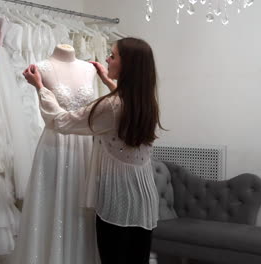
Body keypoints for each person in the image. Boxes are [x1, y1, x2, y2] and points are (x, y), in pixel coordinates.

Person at [23, 37, 162, 264]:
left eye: (113, 55)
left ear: (128, 65)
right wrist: (107, 80)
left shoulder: (111, 106)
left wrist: (40, 87)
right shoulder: (146, 103)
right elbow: (123, 104)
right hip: (143, 199)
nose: (107, 58)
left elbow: (61, 121)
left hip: (117, 199)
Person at [11, 44, 100, 264]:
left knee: (81, 208)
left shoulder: (90, 69)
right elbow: (51, 116)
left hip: (84, 147)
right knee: (51, 208)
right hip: (55, 145)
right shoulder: (41, 67)